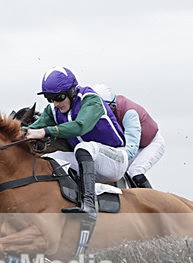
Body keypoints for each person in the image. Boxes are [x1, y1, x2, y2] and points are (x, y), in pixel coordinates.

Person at [24, 66, 129, 220]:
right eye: (50, 98)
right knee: (50, 159)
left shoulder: (91, 100)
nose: (56, 103)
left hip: (114, 160)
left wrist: (45, 132)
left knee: (83, 147)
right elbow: (31, 129)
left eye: (59, 97)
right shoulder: (52, 111)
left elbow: (80, 126)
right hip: (87, 161)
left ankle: (89, 205)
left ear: (71, 91)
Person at [94, 83, 164, 188]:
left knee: (135, 171)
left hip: (151, 143)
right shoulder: (109, 108)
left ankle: (155, 202)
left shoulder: (129, 113)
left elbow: (131, 150)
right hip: (133, 144)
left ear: (112, 106)